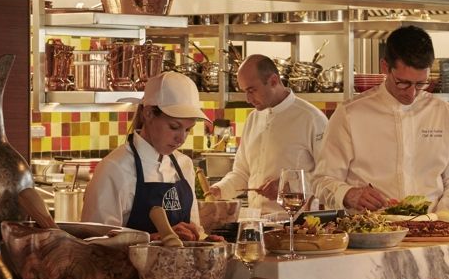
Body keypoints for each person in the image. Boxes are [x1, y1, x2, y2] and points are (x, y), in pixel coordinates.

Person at [313, 25, 449, 213]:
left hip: (433, 224)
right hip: (372, 225)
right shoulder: (350, 114)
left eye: (421, 83)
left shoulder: (444, 113)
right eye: (403, 83)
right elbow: (322, 181)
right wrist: (348, 194)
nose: (412, 93)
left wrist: (443, 216)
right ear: (385, 67)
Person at [81, 71, 209, 239]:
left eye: (188, 129)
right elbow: (95, 244)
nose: (181, 138)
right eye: (174, 127)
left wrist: (203, 239)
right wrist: (155, 239)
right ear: (148, 113)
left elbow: (194, 229)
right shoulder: (114, 169)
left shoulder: (184, 164)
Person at [206, 54, 328, 214]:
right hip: (255, 220)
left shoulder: (312, 118)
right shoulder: (252, 119)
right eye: (245, 91)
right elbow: (242, 173)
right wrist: (219, 190)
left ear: (273, 81)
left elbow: (328, 178)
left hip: (296, 223)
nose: (248, 99)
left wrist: (289, 186)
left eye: (252, 90)